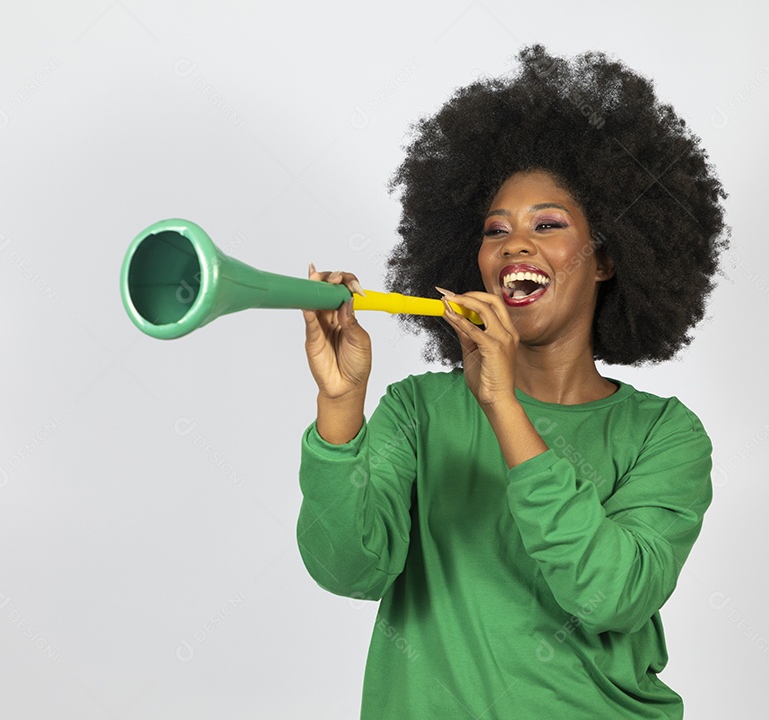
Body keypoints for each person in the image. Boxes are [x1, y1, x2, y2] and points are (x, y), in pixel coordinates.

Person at [297, 45, 728, 719]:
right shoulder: (418, 411)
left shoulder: (664, 435)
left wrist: (500, 402)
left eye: (547, 226)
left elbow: (611, 593)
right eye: (495, 231)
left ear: (607, 258)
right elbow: (348, 569)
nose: (514, 246)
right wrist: (339, 405)